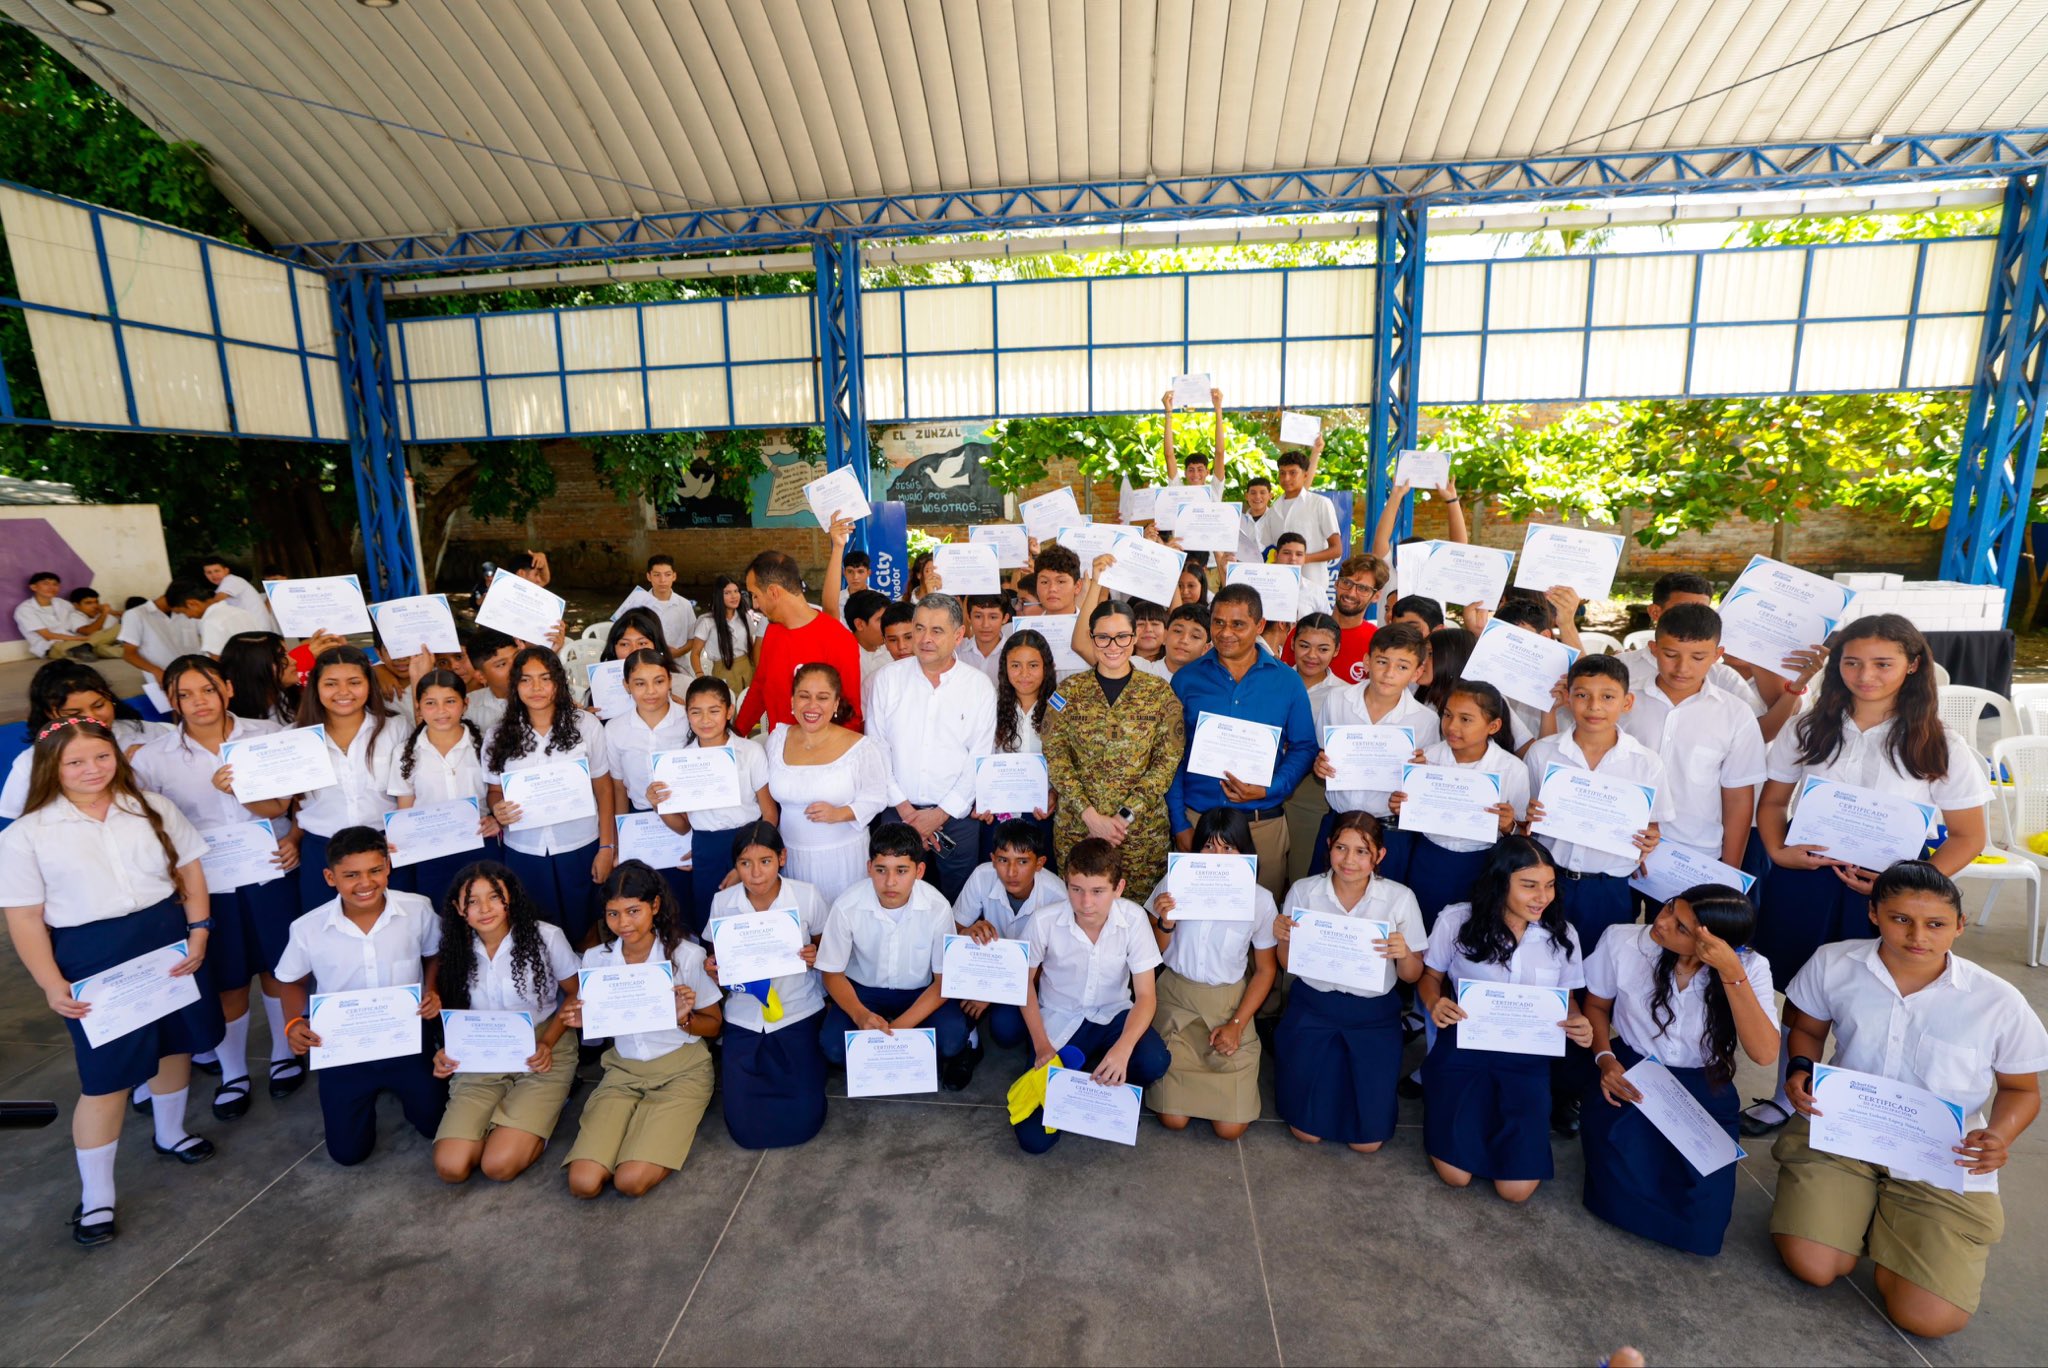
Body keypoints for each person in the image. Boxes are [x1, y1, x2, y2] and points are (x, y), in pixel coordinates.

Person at [1771, 861, 2047, 1339]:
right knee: (1814, 1265)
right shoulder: (1834, 962)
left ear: (1959, 926)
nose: (1918, 935)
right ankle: (1853, 1209)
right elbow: (1809, 1030)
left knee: (1928, 1318)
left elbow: (2021, 1089)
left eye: (1936, 924)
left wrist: (1999, 1135)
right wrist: (1800, 1069)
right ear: (1874, 914)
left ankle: (1886, 1219)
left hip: (1940, 1155)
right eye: (1901, 919)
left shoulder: (1998, 1001)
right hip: (1848, 1131)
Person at [1745, 614, 1989, 1136]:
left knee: (1875, 990)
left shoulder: (1938, 741)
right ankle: (1788, 1095)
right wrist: (1776, 850)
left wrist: (1905, 888)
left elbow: (1970, 837)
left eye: (1883, 663)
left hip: (1887, 894)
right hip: (1806, 883)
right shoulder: (1810, 725)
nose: (1865, 675)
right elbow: (1772, 801)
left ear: (1913, 665)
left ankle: (1860, 1098)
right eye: (1852, 662)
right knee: (1801, 987)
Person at [0, 718, 224, 1246]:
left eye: (101, 757)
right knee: (106, 1079)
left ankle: (170, 1133)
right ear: (51, 767)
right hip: (91, 955)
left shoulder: (150, 808)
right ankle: (97, 1196)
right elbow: (26, 918)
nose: (91, 770)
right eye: (74, 761)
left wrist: (199, 932)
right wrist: (52, 984)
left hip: (164, 938)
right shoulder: (26, 835)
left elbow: (190, 872)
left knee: (175, 1047)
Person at [132, 655, 303, 1120]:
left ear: (227, 688)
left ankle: (284, 1056)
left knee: (278, 969)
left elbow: (295, 803)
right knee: (227, 980)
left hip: (270, 872)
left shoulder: (267, 736)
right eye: (184, 694)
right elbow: (150, 828)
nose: (197, 702)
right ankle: (234, 1073)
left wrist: (293, 838)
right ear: (171, 701)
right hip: (208, 885)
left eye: (206, 690)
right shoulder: (153, 759)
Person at [1580, 884, 1779, 1256]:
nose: (1663, 921)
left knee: (1702, 1220)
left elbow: (1765, 1053)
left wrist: (1730, 971)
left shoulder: (1751, 967)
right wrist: (1605, 1060)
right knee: (1619, 1185)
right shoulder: (1623, 941)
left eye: (1682, 927)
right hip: (1632, 1069)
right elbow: (1595, 1006)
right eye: (1671, 908)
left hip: (1705, 1083)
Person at [1419, 837, 1590, 1203]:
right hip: (1464, 1051)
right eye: (1529, 885)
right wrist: (1435, 1003)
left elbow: (1569, 1000)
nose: (1541, 897)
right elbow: (1429, 977)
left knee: (1516, 1191)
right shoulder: (1457, 920)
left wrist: (1577, 1021)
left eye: (1548, 885)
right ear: (1500, 883)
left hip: (1526, 1059)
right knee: (1456, 1177)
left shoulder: (1563, 935)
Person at [276, 826, 445, 1166]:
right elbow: (291, 981)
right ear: (329, 877)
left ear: (388, 868)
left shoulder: (418, 910)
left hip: (407, 1038)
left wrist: (433, 990)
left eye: (375, 871)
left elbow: (434, 955)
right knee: (347, 1153)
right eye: (350, 875)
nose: (365, 883)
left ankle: (410, 1090)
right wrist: (294, 1022)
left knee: (435, 1126)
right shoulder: (308, 928)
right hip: (342, 1047)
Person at [557, 860, 722, 1199]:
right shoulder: (596, 961)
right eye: (613, 914)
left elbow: (714, 1024)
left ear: (655, 906)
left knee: (630, 1181)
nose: (623, 923)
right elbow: (600, 1023)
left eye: (633, 911)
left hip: (682, 1070)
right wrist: (581, 1020)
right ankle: (628, 1130)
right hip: (622, 1071)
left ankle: (647, 1134)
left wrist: (683, 1018)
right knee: (583, 1182)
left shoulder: (687, 956)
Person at [1273, 811, 1425, 1152]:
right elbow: (1288, 965)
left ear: (1379, 856)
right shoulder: (1305, 891)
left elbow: (1411, 976)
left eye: (1361, 851)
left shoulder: (1400, 898)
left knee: (1367, 1144)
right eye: (1341, 848)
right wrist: (1283, 937)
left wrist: (1405, 953)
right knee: (1306, 1132)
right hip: (1313, 1008)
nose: (1349, 860)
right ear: (1328, 846)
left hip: (1372, 1017)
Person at [1010, 837, 1172, 1154]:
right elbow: (1023, 983)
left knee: (1154, 1060)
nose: (1086, 903)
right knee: (1034, 1141)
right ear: (1066, 883)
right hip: (1059, 1022)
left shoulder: (1134, 919)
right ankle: (1088, 1075)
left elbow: (1145, 996)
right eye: (1076, 889)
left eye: (1098, 891)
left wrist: (1123, 1049)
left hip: (1113, 1016)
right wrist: (1042, 1045)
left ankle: (1111, 1074)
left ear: (1119, 888)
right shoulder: (1045, 920)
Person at [429, 860, 581, 1184]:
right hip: (481, 1049)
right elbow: (452, 1014)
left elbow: (575, 994)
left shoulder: (546, 937)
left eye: (494, 897)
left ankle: (535, 1116)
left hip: (541, 1045)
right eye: (472, 900)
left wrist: (547, 1042)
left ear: (509, 898)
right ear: (458, 908)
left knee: (498, 1166)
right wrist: (444, 1053)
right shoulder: (455, 949)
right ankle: (503, 1123)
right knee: (451, 1166)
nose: (485, 909)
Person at [1168, 584, 1318, 898]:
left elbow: (1304, 747)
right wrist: (1180, 821)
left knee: (1259, 924)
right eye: (1218, 622)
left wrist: (1270, 788)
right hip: (1197, 821)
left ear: (1259, 625)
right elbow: (1170, 756)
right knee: (1194, 921)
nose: (1225, 633)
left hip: (1262, 824)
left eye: (1238, 624)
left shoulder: (1287, 680)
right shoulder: (1186, 679)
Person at [1522, 655, 1672, 955]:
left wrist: (1651, 838)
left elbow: (1652, 824)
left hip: (1610, 889)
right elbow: (1521, 822)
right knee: (1543, 960)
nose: (1594, 706)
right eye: (1582, 695)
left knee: (1599, 972)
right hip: (1550, 884)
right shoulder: (1542, 753)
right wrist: (1527, 818)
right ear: (1567, 698)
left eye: (1607, 697)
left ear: (1627, 702)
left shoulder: (1645, 763)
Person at [1144, 808, 1280, 1140]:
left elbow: (1265, 970)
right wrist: (1165, 922)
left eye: (1228, 848)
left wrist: (1236, 1025)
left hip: (1229, 1005)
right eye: (1208, 847)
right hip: (1176, 1000)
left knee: (1230, 1129)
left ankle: (1234, 1047)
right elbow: (1151, 953)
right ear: (1196, 850)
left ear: (1244, 852)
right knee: (1173, 1120)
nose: (1217, 857)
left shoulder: (1260, 901)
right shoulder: (1175, 884)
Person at [1042, 599, 1185, 901]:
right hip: (1079, 830)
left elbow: (1166, 762)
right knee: (1081, 915)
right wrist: (1090, 815)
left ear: (1134, 638)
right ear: (1092, 638)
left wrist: (1123, 817)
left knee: (1138, 923)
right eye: (1103, 637)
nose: (1113, 645)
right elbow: (1055, 756)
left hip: (1138, 836)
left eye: (1122, 636)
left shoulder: (1159, 694)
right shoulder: (1068, 692)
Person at [701, 822, 830, 1148]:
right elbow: (714, 955)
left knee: (805, 1118)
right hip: (745, 1013)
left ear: (782, 858)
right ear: (735, 866)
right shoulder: (723, 902)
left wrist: (817, 954)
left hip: (797, 1008)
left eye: (765, 862)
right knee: (745, 1128)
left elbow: (827, 945)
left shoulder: (805, 895)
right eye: (745, 863)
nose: (755, 873)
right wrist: (713, 968)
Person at [1610, 604, 1766, 871]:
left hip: (1695, 854)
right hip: (1621, 843)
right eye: (1671, 654)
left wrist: (1727, 872)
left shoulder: (1735, 714)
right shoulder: (1623, 703)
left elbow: (1738, 799)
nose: (1683, 668)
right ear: (1653, 649)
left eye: (1698, 657)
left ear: (1718, 655)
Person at [864, 594, 997, 901]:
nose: (924, 639)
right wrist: (907, 811)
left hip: (956, 818)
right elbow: (877, 748)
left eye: (937, 631)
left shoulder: (978, 686)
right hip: (897, 813)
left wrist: (939, 814)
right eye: (919, 628)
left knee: (958, 901)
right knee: (896, 899)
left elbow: (979, 757)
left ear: (959, 635)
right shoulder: (887, 680)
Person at [815, 822, 973, 1081]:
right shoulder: (847, 905)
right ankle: (902, 1043)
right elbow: (832, 973)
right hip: (863, 992)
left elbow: (944, 982)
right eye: (881, 870)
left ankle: (936, 1043)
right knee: (833, 1048)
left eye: (901, 870)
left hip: (919, 992)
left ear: (919, 871)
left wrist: (898, 1030)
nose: (890, 882)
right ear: (869, 868)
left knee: (951, 1041)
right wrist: (860, 1014)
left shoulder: (937, 906)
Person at [484, 647, 616, 943]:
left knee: (586, 929)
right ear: (515, 685)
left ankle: (583, 986)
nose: (537, 688)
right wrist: (497, 809)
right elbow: (494, 791)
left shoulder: (586, 726)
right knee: (535, 933)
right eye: (526, 680)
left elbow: (604, 788)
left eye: (545, 679)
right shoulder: (498, 735)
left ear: (558, 681)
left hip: (580, 845)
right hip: (525, 851)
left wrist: (607, 847)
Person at [1315, 623, 1440, 882]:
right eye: (1382, 661)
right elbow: (1322, 749)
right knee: (1324, 900)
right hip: (1338, 823)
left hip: (1390, 831)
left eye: (1402, 666)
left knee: (1383, 908)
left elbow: (1422, 787)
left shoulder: (1425, 720)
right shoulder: (1337, 700)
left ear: (1417, 673)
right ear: (1366, 661)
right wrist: (1320, 765)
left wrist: (1419, 777)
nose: (1389, 673)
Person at [649, 676, 776, 927]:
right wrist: (658, 804)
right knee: (712, 922)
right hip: (706, 847)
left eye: (714, 711)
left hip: (752, 844)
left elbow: (770, 814)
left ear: (729, 711)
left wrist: (748, 862)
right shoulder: (678, 762)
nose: (705, 720)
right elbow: (683, 826)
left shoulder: (750, 752)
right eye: (696, 712)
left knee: (756, 920)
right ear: (687, 714)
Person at [1397, 681, 1526, 928]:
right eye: (1447, 715)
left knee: (1470, 937)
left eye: (1466, 719)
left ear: (1493, 726)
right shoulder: (1426, 759)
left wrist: (1509, 826)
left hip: (1481, 865)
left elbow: (1523, 833)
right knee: (1422, 929)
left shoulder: (1513, 770)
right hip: (1429, 859)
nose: (1452, 726)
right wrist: (1402, 805)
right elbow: (1411, 811)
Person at [766, 663, 892, 902]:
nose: (812, 706)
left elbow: (876, 797)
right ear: (792, 700)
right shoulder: (777, 738)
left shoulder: (861, 747)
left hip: (842, 859)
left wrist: (840, 813)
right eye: (804, 696)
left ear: (835, 704)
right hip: (791, 857)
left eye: (822, 698)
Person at [293, 646, 403, 910]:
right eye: (331, 684)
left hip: (386, 846)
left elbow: (409, 789)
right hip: (321, 850)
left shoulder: (396, 726)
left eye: (354, 682)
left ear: (369, 684)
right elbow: (283, 804)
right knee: (326, 933)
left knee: (396, 928)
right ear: (315, 687)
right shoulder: (295, 737)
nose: (343, 692)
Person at [388, 668, 499, 910]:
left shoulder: (484, 746)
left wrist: (496, 819)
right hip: (429, 852)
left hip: (480, 844)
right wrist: (398, 838)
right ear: (418, 707)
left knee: (485, 910)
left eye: (450, 701)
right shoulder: (405, 753)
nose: (441, 711)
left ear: (465, 703)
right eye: (430, 703)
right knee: (441, 914)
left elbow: (496, 793)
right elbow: (404, 810)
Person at [1, 660, 170, 819]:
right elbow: (20, 821)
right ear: (50, 714)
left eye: (99, 705)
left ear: (110, 699)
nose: (92, 718)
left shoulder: (151, 734)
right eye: (74, 714)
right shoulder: (32, 762)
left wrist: (154, 754)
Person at [601, 648, 695, 911]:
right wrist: (620, 842)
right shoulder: (615, 728)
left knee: (683, 901)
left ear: (670, 680)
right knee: (646, 901)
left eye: (659, 681)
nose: (651, 691)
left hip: (686, 821)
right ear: (626, 686)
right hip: (639, 820)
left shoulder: (689, 720)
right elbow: (619, 787)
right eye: (640, 683)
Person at [735, 550, 866, 736]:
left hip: (820, 757)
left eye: (755, 595)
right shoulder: (772, 631)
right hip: (778, 753)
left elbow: (850, 714)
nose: (755, 605)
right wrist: (735, 736)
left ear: (773, 592)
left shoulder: (838, 639)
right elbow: (759, 688)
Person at [980, 630, 1055, 862]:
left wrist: (1056, 794)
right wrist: (983, 796)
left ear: (1046, 667)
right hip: (998, 813)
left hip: (1042, 812)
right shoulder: (989, 703)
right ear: (1004, 668)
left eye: (1033, 665)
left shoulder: (1060, 706)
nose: (1024, 674)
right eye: (1015, 665)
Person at [1282, 612, 1345, 884]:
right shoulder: (1273, 680)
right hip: (1262, 784)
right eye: (1304, 645)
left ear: (1336, 651)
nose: (1312, 655)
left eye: (1323, 649)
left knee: (1301, 869)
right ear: (1292, 643)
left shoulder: (1345, 695)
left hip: (1312, 792)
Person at [119, 580, 208, 682]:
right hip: (165, 680)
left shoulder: (187, 611)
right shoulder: (136, 615)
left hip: (197, 675)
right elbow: (129, 655)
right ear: (189, 603)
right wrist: (156, 671)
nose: (189, 615)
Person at [689, 574, 759, 695]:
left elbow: (752, 647)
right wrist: (700, 675)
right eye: (727, 593)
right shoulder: (707, 621)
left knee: (748, 705)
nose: (734, 596)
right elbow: (695, 653)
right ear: (718, 596)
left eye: (736, 591)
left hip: (747, 667)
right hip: (722, 669)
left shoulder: (745, 617)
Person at [1270, 448, 1342, 563]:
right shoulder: (1274, 509)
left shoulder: (1320, 503)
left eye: (1293, 473)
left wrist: (1302, 559)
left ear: (1305, 475)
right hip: (1280, 578)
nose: (1286, 478)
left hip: (1313, 578)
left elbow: (1337, 550)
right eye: (1282, 473)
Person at [218, 631, 301, 725]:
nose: (294, 661)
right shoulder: (237, 723)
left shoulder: (287, 697)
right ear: (254, 668)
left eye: (288, 654)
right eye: (280, 657)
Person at [621, 553, 696, 657]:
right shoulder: (636, 603)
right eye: (657, 575)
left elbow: (692, 638)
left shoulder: (684, 604)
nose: (662, 580)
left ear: (674, 576)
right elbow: (622, 635)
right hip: (644, 662)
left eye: (667, 574)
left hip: (679, 664)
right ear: (649, 576)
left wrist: (678, 652)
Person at [14, 572, 96, 659]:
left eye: (55, 584)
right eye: (46, 583)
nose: (51, 587)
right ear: (33, 587)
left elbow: (80, 616)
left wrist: (105, 612)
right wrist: (81, 639)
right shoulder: (25, 609)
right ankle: (86, 648)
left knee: (104, 634)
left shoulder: (62, 603)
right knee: (94, 641)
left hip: (74, 639)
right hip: (51, 646)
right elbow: (47, 635)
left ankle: (89, 648)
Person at [1414, 625, 1477, 717]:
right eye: (1421, 653)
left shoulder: (1473, 710)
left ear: (1455, 660)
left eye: (1430, 653)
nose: (1421, 660)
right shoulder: (1419, 697)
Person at [956, 593, 1013, 681]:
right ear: (968, 617)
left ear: (1005, 618)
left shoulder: (1014, 652)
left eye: (993, 617)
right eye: (978, 616)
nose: (985, 625)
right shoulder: (956, 650)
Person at [843, 588, 895, 684]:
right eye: (880, 620)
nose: (887, 625)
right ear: (859, 624)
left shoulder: (894, 650)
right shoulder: (843, 657)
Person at [201, 555, 272, 620]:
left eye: (217, 571)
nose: (214, 575)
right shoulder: (226, 584)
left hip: (257, 629)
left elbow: (217, 601)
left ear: (226, 570)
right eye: (209, 572)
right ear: (205, 574)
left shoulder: (231, 580)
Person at [1162, 603, 1211, 676]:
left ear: (1206, 649)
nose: (1184, 640)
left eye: (1195, 636)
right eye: (1178, 631)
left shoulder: (1209, 684)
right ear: (1165, 636)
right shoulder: (1143, 669)